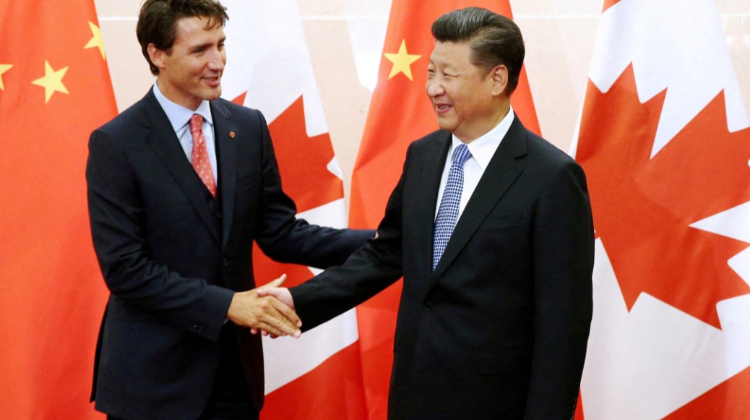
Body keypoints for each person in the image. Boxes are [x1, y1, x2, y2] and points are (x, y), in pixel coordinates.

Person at [258, 7, 594, 420]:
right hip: (414, 396)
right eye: (431, 72)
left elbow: (563, 325)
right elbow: (386, 253)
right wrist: (297, 301)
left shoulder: (552, 178)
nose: (434, 87)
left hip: (495, 406)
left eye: (448, 75)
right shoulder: (423, 155)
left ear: (497, 79)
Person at [85, 0, 372, 419]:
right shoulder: (117, 143)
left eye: (220, 44)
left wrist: (385, 241)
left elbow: (280, 233)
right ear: (157, 54)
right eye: (200, 50)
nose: (218, 61)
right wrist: (227, 305)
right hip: (152, 381)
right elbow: (125, 268)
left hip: (234, 376)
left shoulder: (248, 126)